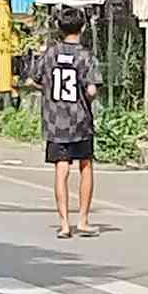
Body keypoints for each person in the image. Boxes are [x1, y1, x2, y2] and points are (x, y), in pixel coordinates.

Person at [40, 14, 104, 238]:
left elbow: (35, 78)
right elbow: (92, 90)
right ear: (83, 27)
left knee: (61, 168)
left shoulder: (50, 53)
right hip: (80, 121)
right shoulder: (86, 57)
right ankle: (84, 220)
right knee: (85, 166)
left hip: (55, 122)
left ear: (59, 28)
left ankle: (64, 224)